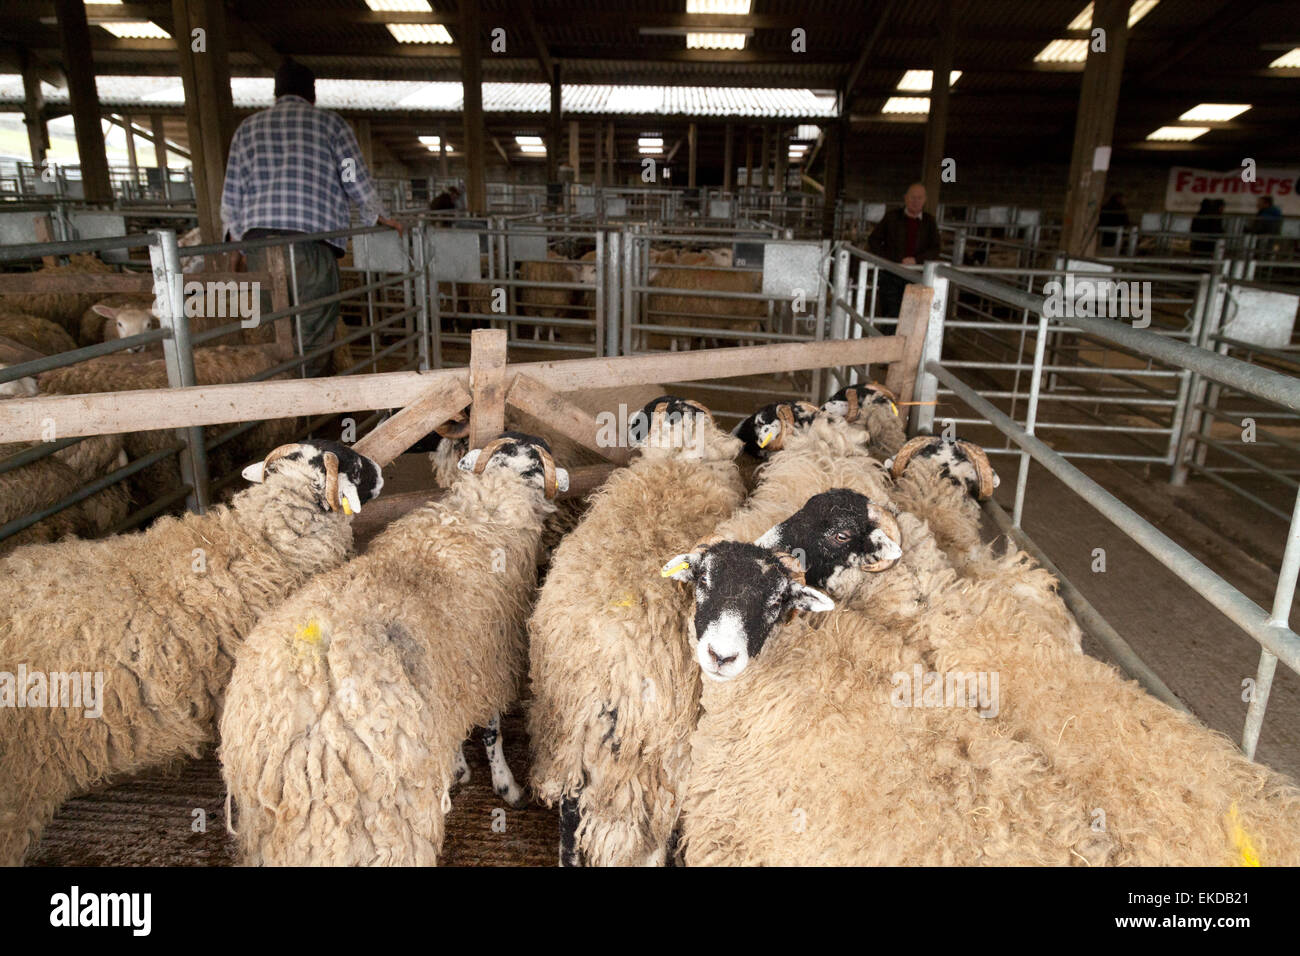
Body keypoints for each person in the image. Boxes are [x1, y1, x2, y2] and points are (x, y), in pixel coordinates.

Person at [221, 58, 403, 376]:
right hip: (311, 245)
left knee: (271, 330)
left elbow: (231, 196)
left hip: (260, 246)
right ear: (312, 94)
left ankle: (280, 417)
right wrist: (378, 215)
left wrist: (236, 248)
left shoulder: (247, 129)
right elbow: (353, 176)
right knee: (314, 331)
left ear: (276, 93)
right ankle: (305, 410)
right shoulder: (331, 125)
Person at [867, 183, 942, 318]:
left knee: (913, 315)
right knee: (891, 313)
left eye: (919, 198)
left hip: (917, 275)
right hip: (891, 274)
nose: (915, 201)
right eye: (912, 197)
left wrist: (917, 260)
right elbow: (874, 240)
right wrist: (889, 261)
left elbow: (936, 248)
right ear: (905, 198)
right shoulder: (891, 218)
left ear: (925, 200)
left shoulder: (929, 222)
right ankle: (890, 339)